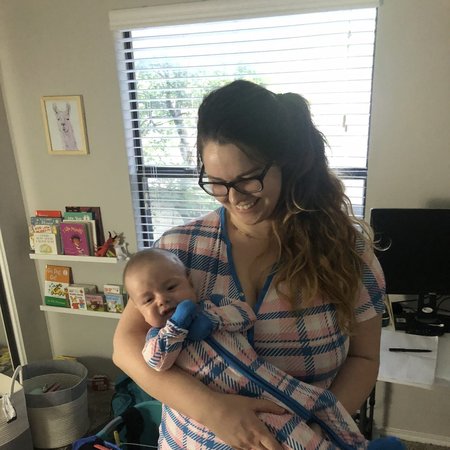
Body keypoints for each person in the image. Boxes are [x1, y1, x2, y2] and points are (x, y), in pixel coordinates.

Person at [113, 80, 387, 450]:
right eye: (217, 183)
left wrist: (312, 434)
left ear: (286, 163)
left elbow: (364, 356)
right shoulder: (176, 252)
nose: (234, 197)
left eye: (248, 180)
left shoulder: (347, 253)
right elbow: (126, 345)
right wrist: (215, 411)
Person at [123, 248, 383, 449]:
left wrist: (213, 319)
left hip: (272, 383)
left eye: (171, 288)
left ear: (190, 283)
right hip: (245, 413)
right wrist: (176, 327)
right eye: (148, 300)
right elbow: (154, 362)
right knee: (292, 436)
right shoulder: (157, 338)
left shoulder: (212, 306)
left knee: (325, 404)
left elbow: (245, 316)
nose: (162, 300)